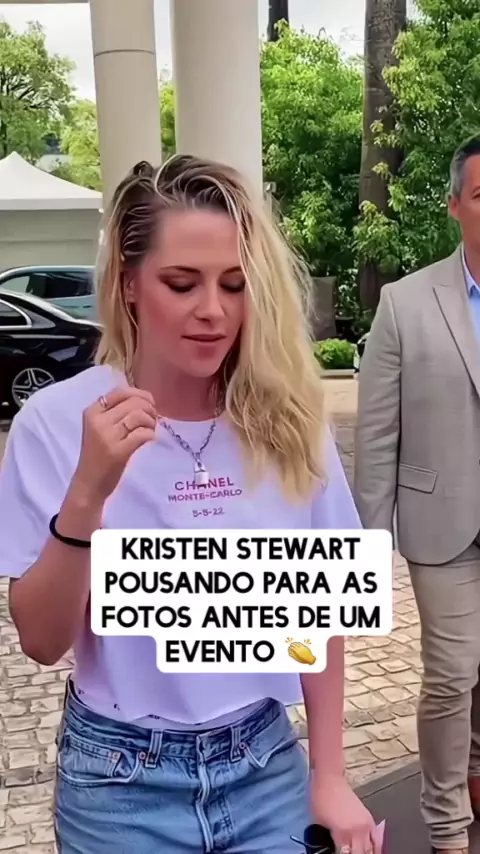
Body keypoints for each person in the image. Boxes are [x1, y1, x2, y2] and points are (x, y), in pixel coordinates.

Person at [0, 154, 379, 854]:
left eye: (234, 284)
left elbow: (319, 611)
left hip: (264, 762)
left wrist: (330, 774)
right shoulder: (53, 424)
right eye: (182, 283)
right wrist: (88, 493)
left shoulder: (289, 421)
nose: (213, 310)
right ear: (129, 283)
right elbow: (43, 642)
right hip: (118, 783)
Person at [354, 135, 480, 854]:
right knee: (452, 677)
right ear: (455, 204)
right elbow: (376, 435)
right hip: (442, 525)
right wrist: (368, 552)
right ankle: (446, 825)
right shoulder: (405, 303)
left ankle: (477, 776)